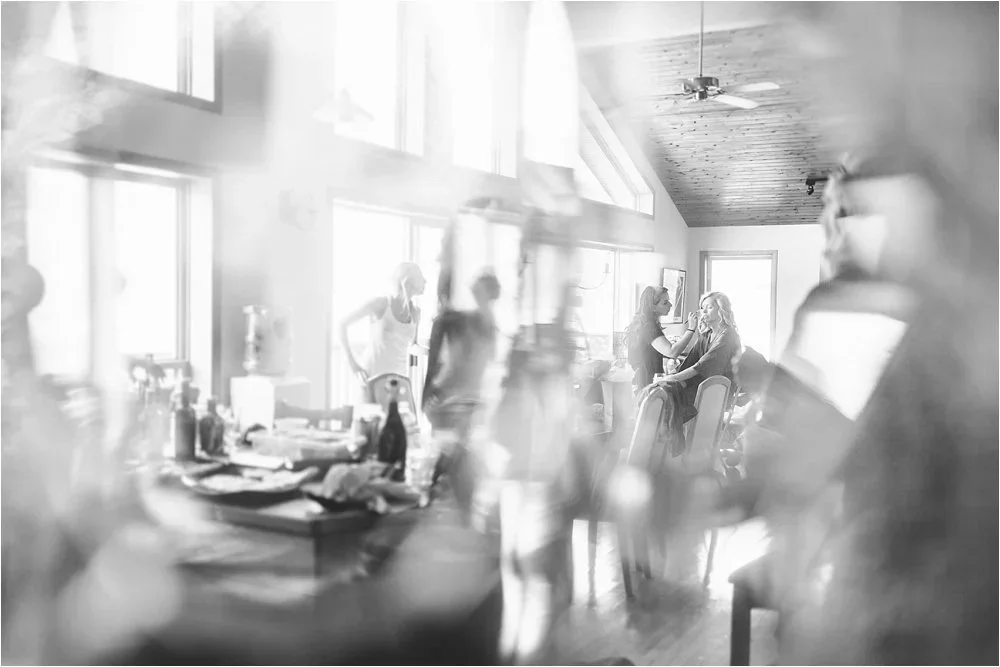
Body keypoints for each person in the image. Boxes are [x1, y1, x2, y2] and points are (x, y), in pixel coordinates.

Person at [339, 262, 426, 400]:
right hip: (372, 378)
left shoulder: (416, 313)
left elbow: (412, 345)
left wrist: (431, 352)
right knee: (371, 420)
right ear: (408, 280)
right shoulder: (381, 304)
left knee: (399, 420)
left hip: (398, 383)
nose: (425, 281)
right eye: (421, 276)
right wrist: (353, 365)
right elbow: (342, 324)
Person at [624, 286, 673, 391]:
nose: (670, 305)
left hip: (640, 383)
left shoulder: (640, 323)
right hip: (647, 385)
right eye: (665, 303)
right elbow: (671, 352)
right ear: (653, 307)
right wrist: (691, 329)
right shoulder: (649, 327)